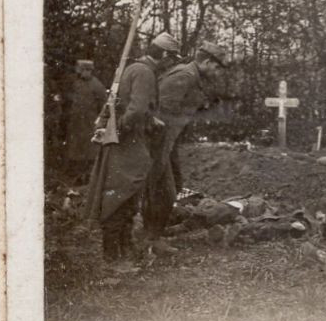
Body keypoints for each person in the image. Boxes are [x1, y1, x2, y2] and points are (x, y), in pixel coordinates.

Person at [91, 32, 178, 265]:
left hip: (123, 140)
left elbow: (133, 107)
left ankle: (122, 253)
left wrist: (149, 120)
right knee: (123, 196)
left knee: (123, 195)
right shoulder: (145, 72)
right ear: (165, 55)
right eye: (172, 59)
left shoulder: (133, 68)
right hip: (128, 144)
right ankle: (114, 258)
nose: (172, 64)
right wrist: (120, 130)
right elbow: (136, 110)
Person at [143, 40, 227, 237]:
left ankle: (151, 233)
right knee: (162, 190)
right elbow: (159, 112)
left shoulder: (193, 77)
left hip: (168, 141)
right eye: (216, 66)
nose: (217, 72)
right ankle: (151, 237)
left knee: (172, 187)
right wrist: (159, 149)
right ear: (206, 61)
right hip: (159, 140)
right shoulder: (185, 76)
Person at [62, 59, 108, 180]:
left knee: (89, 149)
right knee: (76, 148)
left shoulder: (97, 85)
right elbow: (69, 100)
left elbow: (103, 105)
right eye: (82, 70)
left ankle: (89, 175)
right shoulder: (75, 83)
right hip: (76, 121)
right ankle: (76, 174)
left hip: (90, 122)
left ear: (90, 71)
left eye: (87, 70)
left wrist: (99, 120)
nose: (84, 73)